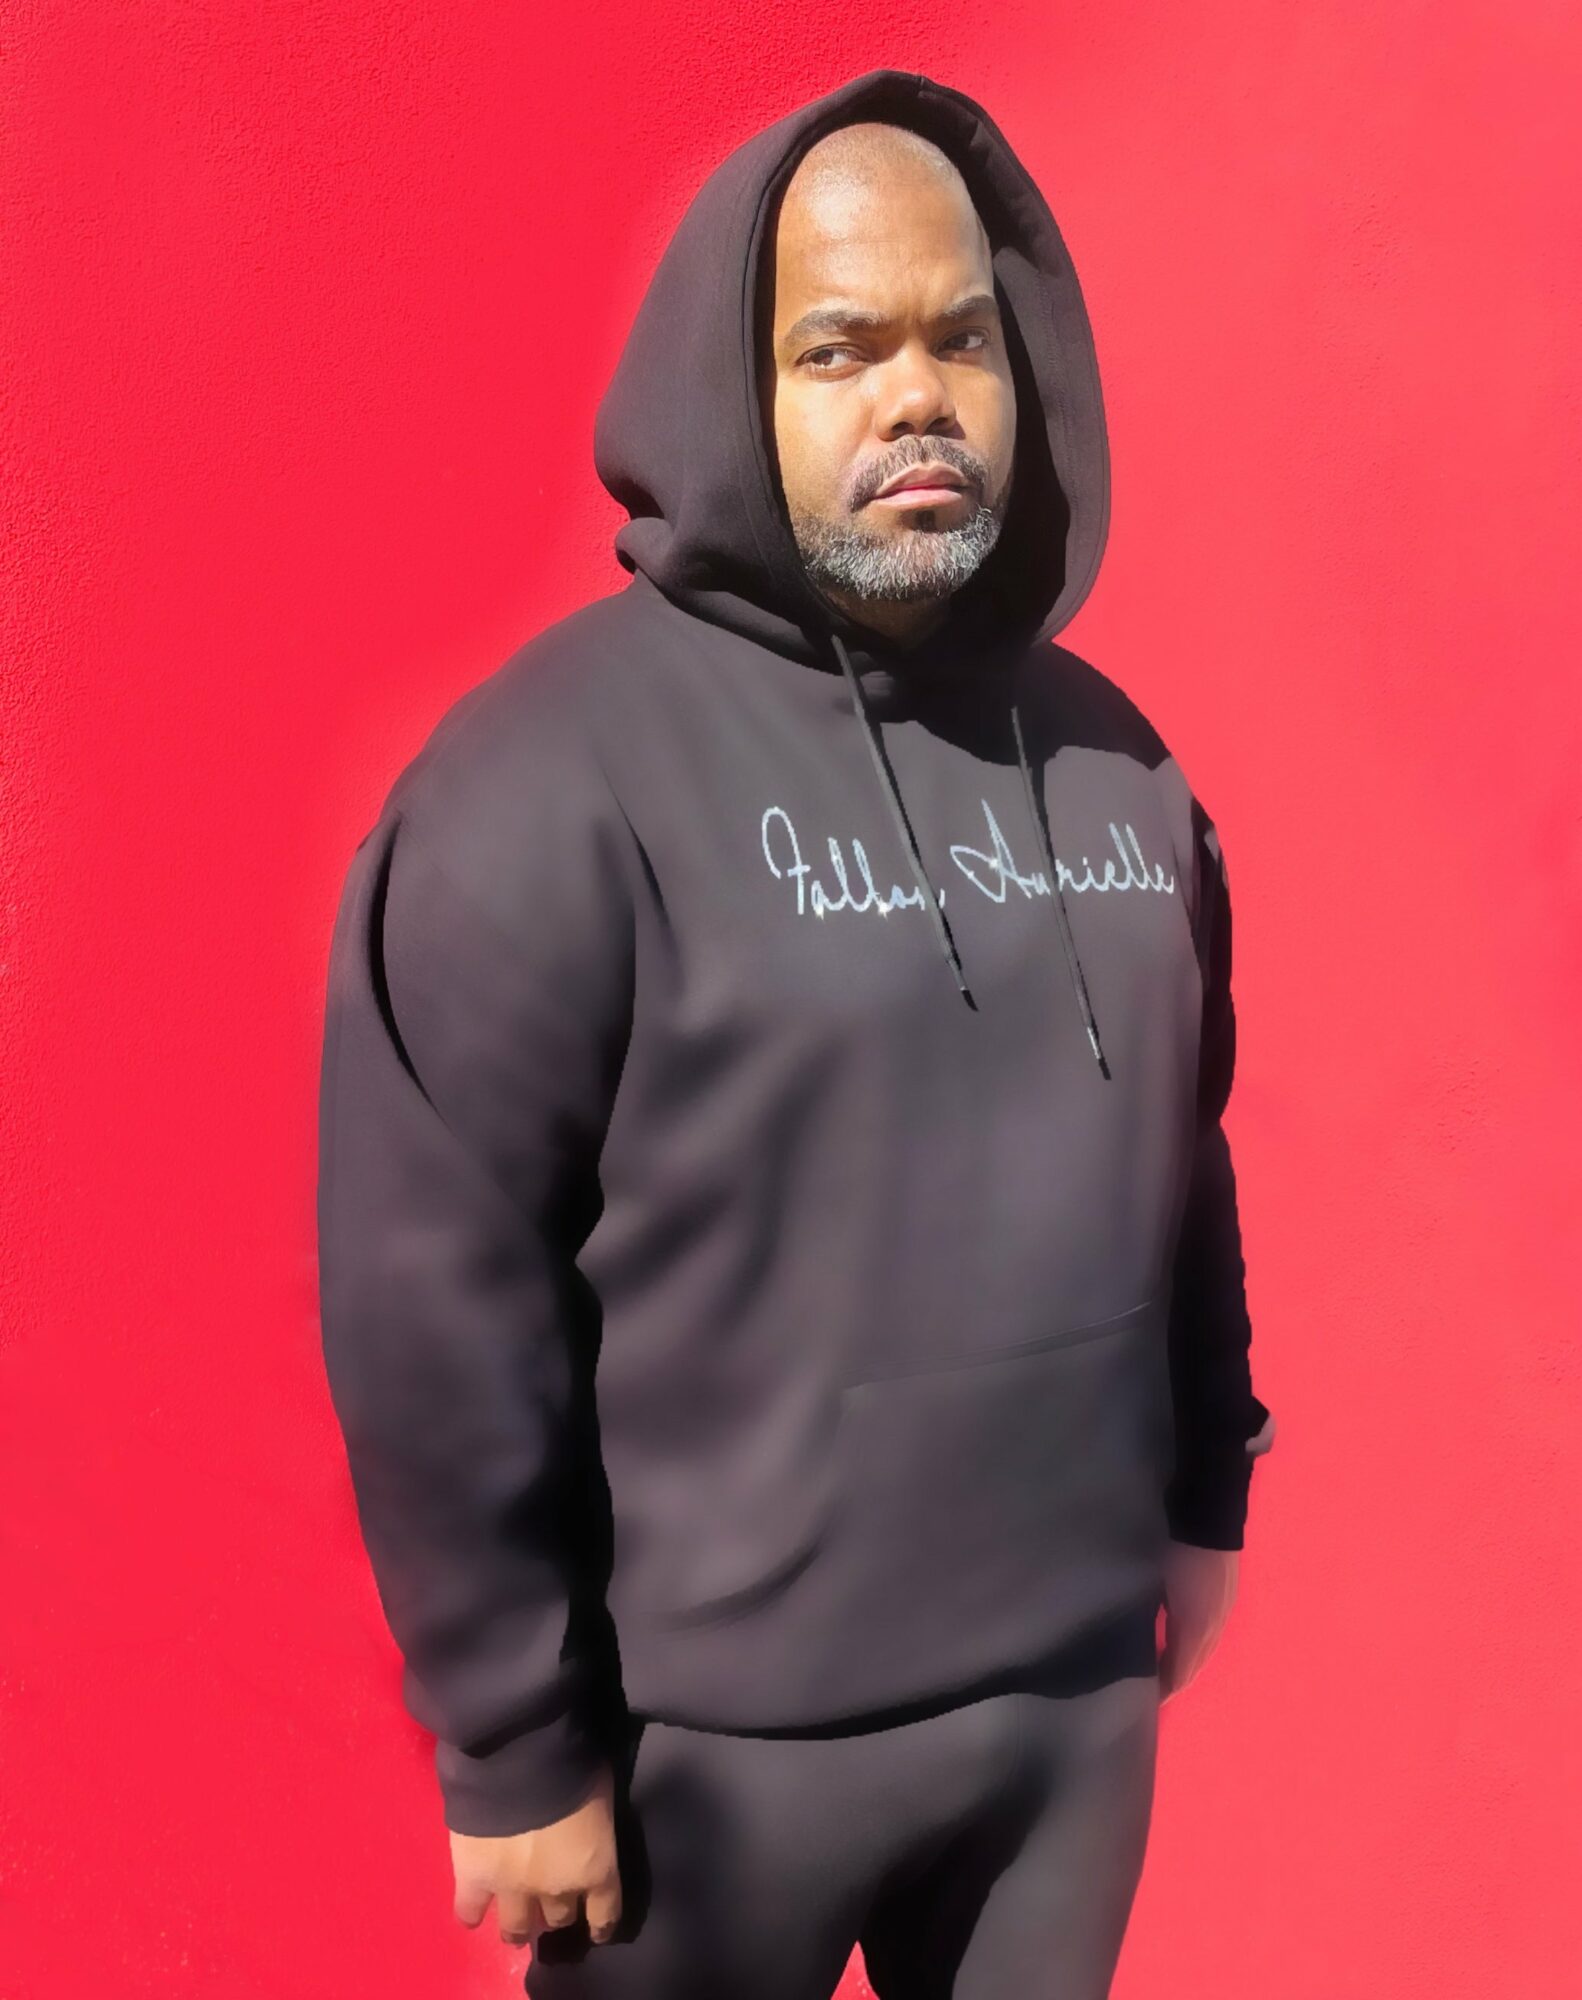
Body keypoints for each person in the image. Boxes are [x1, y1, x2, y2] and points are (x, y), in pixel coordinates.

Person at [316, 67, 1276, 1999]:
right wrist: (514, 1743)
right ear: (728, 394)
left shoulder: (1116, 768)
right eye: (838, 347)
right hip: (712, 1769)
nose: (914, 395)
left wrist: (1204, 1490)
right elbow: (436, 1293)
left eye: (958, 339)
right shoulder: (542, 789)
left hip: (1065, 1728)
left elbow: (1180, 1155)